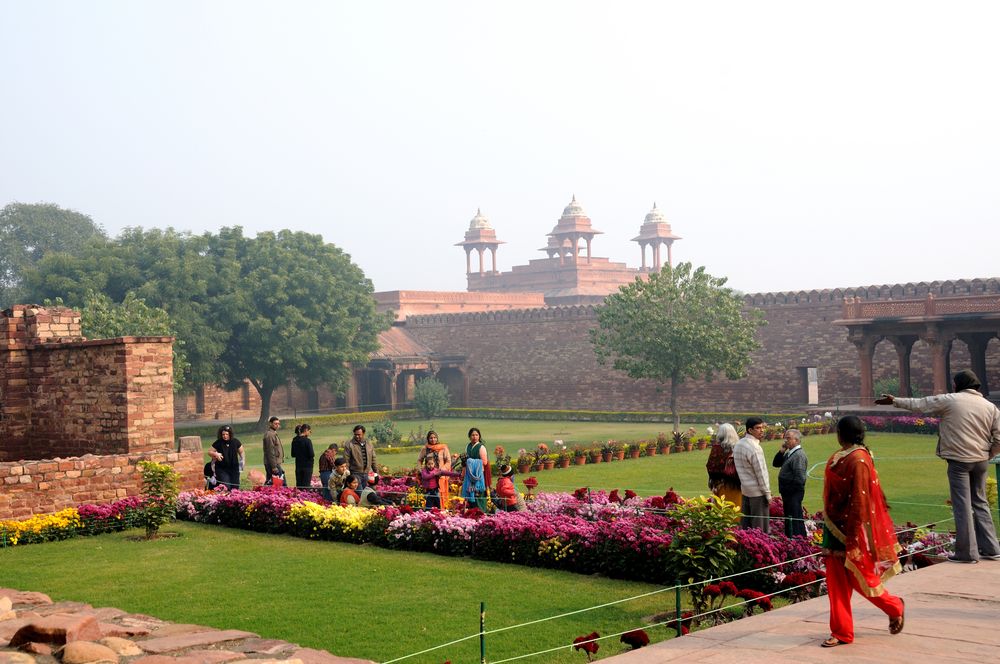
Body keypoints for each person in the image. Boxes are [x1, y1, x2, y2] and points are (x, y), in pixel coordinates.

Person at [878, 369, 1000, 563]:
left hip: (960, 461)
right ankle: (992, 548)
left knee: (962, 505)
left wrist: (894, 400)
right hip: (981, 461)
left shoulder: (951, 400)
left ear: (958, 385)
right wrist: (988, 453)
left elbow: (920, 404)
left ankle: (967, 553)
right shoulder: (989, 406)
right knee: (980, 502)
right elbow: (999, 437)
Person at [821, 415, 905, 647]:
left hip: (851, 529)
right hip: (832, 526)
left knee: (861, 579)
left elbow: (860, 497)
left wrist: (854, 532)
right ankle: (841, 632)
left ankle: (895, 606)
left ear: (842, 433)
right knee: (836, 583)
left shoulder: (858, 459)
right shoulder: (843, 455)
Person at [733, 417, 770, 531]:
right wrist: (767, 493)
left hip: (745, 490)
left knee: (746, 528)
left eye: (762, 427)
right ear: (750, 430)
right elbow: (761, 473)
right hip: (757, 493)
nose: (762, 430)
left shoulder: (739, 444)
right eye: (758, 428)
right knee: (760, 530)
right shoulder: (754, 448)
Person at [772, 428, 808, 538]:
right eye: (785, 438)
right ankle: (791, 539)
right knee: (790, 518)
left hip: (793, 494)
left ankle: (797, 541)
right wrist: (782, 450)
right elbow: (776, 463)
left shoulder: (798, 455)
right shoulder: (790, 453)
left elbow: (800, 479)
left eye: (788, 438)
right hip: (789, 494)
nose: (785, 441)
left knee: (794, 518)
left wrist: (788, 491)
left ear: (797, 440)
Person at [706, 423, 742, 507]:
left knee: (721, 510)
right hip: (736, 485)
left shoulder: (716, 448)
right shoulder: (739, 447)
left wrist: (714, 482)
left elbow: (710, 466)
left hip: (720, 485)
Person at [417, 430, 452, 508]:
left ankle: (442, 512)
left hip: (440, 477)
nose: (433, 439)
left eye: (435, 437)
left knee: (440, 496)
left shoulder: (443, 448)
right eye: (431, 438)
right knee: (430, 498)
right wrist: (421, 470)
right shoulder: (425, 449)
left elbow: (448, 461)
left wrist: (441, 470)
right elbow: (419, 460)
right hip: (429, 477)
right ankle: (430, 515)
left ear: (437, 438)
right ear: (428, 439)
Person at [461, 427, 491, 510]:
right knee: (470, 492)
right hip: (469, 474)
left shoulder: (481, 447)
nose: (474, 437)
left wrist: (470, 461)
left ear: (479, 436)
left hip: (478, 474)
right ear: (469, 436)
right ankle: (472, 511)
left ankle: (481, 511)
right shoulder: (468, 446)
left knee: (478, 493)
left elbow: (484, 462)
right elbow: (465, 460)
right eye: (472, 435)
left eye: (476, 435)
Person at [208, 425, 244, 490]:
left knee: (235, 487)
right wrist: (216, 454)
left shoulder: (235, 442)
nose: (225, 436)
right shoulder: (218, 442)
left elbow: (241, 452)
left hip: (234, 468)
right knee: (227, 487)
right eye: (223, 434)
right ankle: (226, 498)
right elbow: (209, 452)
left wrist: (242, 461)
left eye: (227, 434)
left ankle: (235, 499)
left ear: (230, 434)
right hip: (222, 469)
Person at [344, 425, 378, 491]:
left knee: (367, 493)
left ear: (363, 433)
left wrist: (376, 471)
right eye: (355, 434)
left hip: (367, 473)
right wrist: (347, 473)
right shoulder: (349, 444)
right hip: (355, 473)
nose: (357, 436)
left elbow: (373, 458)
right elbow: (346, 459)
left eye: (359, 434)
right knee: (360, 493)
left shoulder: (369, 443)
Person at [290, 423, 315, 490]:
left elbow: (293, 454)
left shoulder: (294, 440)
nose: (309, 433)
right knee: (306, 486)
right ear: (306, 430)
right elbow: (311, 454)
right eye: (309, 431)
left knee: (299, 485)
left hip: (298, 465)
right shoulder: (307, 441)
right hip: (307, 466)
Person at [262, 416, 284, 486]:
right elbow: (270, 451)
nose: (277, 425)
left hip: (275, 462)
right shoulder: (270, 435)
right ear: (270, 424)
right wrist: (274, 466)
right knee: (280, 484)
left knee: (272, 483)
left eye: (278, 424)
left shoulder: (274, 433)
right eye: (275, 424)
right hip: (272, 463)